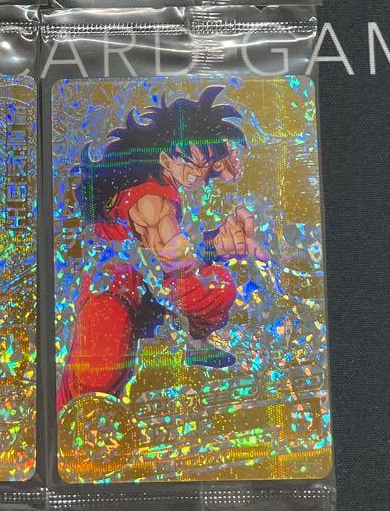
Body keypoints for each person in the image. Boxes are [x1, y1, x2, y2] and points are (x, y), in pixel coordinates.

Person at [57, 87, 268, 411]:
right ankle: (66, 426)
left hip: (141, 284)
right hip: (112, 288)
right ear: (166, 159)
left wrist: (216, 243)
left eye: (205, 166)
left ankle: (195, 345)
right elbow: (177, 274)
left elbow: (171, 256)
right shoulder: (154, 204)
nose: (197, 175)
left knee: (213, 285)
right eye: (191, 164)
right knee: (96, 380)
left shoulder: (164, 185)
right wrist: (216, 254)